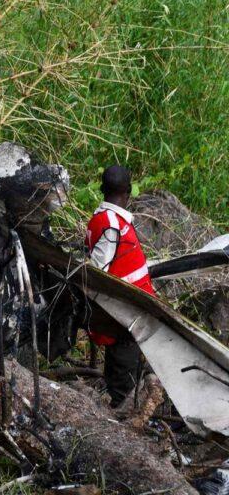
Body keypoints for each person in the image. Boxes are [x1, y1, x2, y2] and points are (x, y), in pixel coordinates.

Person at [85, 165, 155, 407]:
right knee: (123, 381)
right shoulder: (111, 224)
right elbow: (98, 273)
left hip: (129, 313)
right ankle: (120, 418)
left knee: (126, 369)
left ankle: (122, 407)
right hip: (124, 315)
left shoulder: (106, 219)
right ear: (128, 191)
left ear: (103, 189)